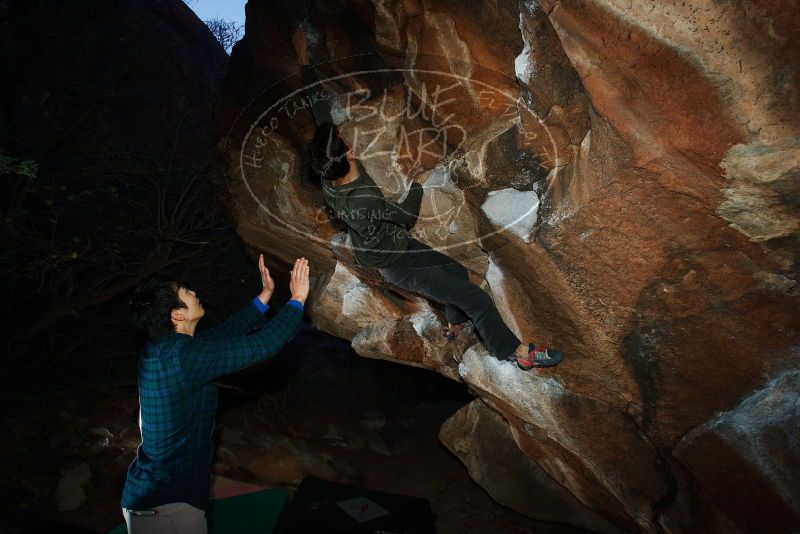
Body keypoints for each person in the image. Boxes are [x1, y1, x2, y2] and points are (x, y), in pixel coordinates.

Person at [292, 26, 563, 370]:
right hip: (396, 264)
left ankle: (454, 324)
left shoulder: (329, 176)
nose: (353, 146)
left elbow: (321, 117)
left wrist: (307, 69)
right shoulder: (361, 199)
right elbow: (405, 215)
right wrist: (418, 185)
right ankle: (515, 352)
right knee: (477, 300)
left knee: (456, 272)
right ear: (347, 158)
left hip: (392, 245)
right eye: (348, 147)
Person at [121, 254, 310, 534]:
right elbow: (263, 345)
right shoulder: (184, 357)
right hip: (167, 505)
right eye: (186, 292)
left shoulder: (164, 349)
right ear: (177, 314)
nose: (194, 292)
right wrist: (297, 299)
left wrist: (265, 295)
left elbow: (224, 334)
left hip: (151, 497)